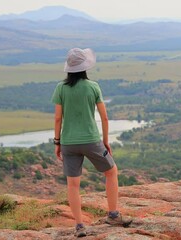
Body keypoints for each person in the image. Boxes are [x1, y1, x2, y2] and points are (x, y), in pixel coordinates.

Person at [51, 48, 132, 237]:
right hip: (91, 140)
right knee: (111, 172)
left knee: (73, 184)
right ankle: (113, 214)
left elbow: (57, 119)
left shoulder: (61, 88)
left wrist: (57, 143)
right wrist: (105, 142)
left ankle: (79, 226)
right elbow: (104, 118)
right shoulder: (93, 86)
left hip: (69, 143)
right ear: (85, 67)